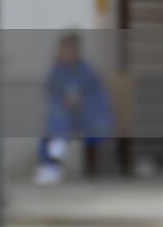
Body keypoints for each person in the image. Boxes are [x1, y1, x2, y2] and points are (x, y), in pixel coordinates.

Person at [33, 32, 113, 184]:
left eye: (66, 50)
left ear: (74, 51)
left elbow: (91, 98)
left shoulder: (85, 70)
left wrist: (75, 101)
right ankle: (50, 164)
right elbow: (51, 91)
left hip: (89, 116)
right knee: (54, 124)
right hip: (67, 116)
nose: (62, 53)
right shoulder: (58, 68)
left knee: (57, 123)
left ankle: (52, 165)